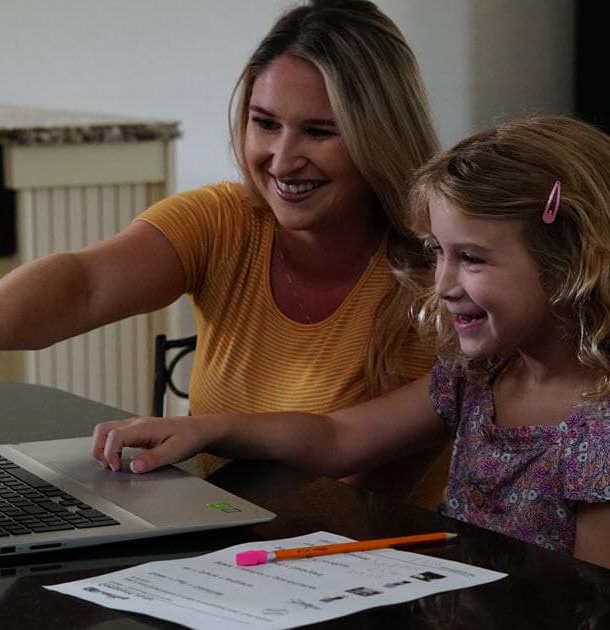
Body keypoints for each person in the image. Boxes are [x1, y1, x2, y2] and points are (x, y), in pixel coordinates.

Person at [0, 1, 446, 504]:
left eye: (319, 132)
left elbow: (346, 474)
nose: (282, 160)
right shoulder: (224, 219)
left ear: (379, 134)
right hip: (228, 543)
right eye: (265, 123)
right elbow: (86, 283)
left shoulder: (441, 278)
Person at [92, 116, 610, 569]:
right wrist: (206, 428)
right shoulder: (480, 377)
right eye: (437, 252)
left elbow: (590, 599)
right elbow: (339, 438)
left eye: (471, 258)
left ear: (569, 260)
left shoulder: (599, 428)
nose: (444, 284)